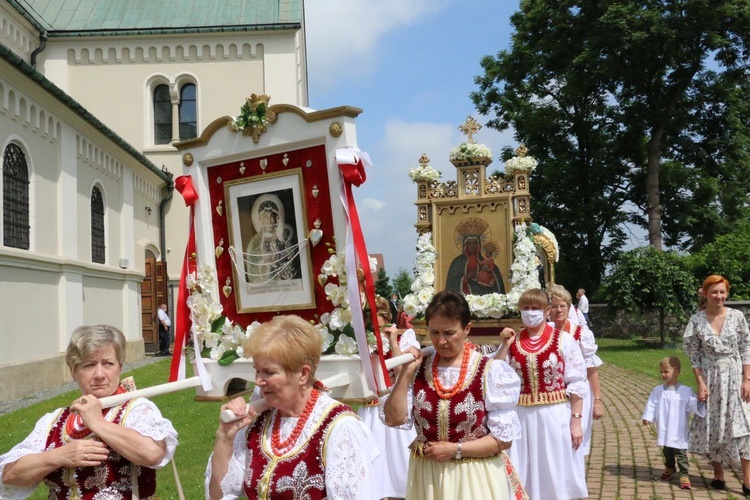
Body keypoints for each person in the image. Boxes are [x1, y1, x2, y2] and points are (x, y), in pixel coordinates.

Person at [206, 315, 379, 499]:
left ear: (303, 374)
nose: (258, 381)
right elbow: (218, 496)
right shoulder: (260, 419)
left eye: (269, 372)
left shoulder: (340, 428)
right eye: (257, 370)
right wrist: (225, 437)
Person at [0, 325, 178, 499]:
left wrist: (97, 423)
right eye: (89, 365)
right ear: (73, 372)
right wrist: (60, 456)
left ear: (120, 367)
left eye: (108, 363)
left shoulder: (136, 409)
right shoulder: (53, 421)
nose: (99, 374)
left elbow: (152, 453)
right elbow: (10, 476)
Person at [384, 290, 525, 499]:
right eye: (435, 332)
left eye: (449, 333)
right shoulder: (419, 369)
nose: (441, 341)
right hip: (428, 477)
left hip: (474, 477)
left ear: (467, 328)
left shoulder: (489, 371)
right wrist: (406, 374)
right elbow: (393, 419)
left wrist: (455, 449)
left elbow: (503, 440)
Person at [495, 288, 589, 500]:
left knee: (553, 467)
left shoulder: (563, 340)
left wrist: (576, 421)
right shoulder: (514, 342)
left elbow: (576, 382)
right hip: (521, 416)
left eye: (535, 308)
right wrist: (504, 346)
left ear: (546, 311)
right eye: (525, 308)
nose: (530, 312)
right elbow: (497, 375)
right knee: (522, 468)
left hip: (554, 415)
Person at [684, 274, 750, 494]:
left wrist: (746, 379)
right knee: (714, 426)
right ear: (705, 294)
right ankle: (718, 473)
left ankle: (748, 479)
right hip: (711, 379)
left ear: (727, 293)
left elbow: (746, 348)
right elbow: (694, 355)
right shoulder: (696, 320)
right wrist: (700, 383)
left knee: (744, 427)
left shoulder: (737, 316)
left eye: (722, 292)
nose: (719, 296)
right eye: (714, 292)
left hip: (735, 376)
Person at [358, 296, 420, 499]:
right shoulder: (361, 340)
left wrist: (392, 341)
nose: (374, 323)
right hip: (370, 406)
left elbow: (403, 371)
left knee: (398, 460)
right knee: (373, 463)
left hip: (392, 404)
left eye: (379, 318)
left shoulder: (404, 338)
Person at [547, 284, 604, 455]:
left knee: (576, 439)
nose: (558, 310)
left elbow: (591, 369)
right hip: (551, 393)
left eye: (563, 305)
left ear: (569, 307)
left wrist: (598, 400)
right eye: (554, 306)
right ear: (548, 309)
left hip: (578, 394)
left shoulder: (581, 334)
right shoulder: (543, 332)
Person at [642, 356, 705, 490]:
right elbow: (651, 404)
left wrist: (698, 400)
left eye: (666, 372)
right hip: (665, 427)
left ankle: (684, 474)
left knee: (680, 453)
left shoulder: (685, 391)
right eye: (661, 372)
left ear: (676, 372)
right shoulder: (658, 390)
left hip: (678, 429)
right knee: (667, 450)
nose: (663, 375)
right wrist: (647, 417)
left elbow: (691, 405)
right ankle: (670, 468)